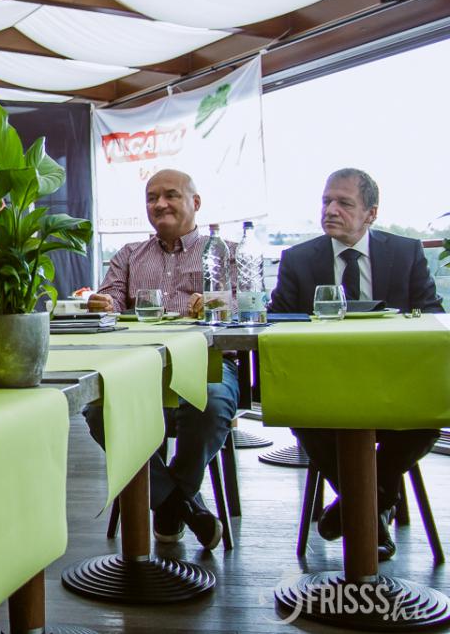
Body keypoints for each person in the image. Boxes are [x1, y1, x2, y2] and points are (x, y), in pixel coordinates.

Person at [269, 167, 443, 560]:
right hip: (325, 386)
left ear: (371, 214)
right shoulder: (298, 259)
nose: (330, 210)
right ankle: (376, 506)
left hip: (395, 383)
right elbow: (278, 322)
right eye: (326, 201)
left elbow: (431, 315)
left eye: (344, 203)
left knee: (429, 416)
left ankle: (355, 506)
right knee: (302, 414)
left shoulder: (405, 252)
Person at [85, 168, 240, 550]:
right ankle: (179, 506)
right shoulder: (129, 255)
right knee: (98, 410)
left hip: (209, 363)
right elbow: (110, 301)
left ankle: (170, 503)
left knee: (209, 403)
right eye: (152, 198)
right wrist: (102, 304)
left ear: (195, 202)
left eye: (171, 195)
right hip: (139, 367)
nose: (160, 204)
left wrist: (219, 304)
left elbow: (249, 304)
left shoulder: (225, 252)